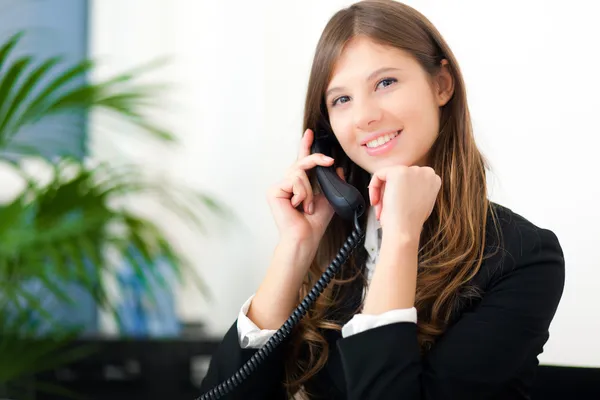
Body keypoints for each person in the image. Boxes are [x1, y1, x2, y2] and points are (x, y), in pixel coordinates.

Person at [198, 1, 565, 399]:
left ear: (441, 85)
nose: (364, 117)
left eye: (385, 83)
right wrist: (296, 245)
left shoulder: (524, 257)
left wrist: (401, 239)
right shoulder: (333, 246)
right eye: (341, 100)